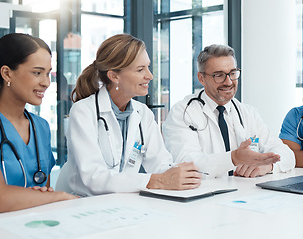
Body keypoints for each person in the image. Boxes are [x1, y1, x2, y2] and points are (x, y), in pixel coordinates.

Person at [59, 34, 201, 196]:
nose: (150, 75)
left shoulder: (143, 114)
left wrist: (181, 173)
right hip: (86, 203)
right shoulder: (84, 111)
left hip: (125, 202)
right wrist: (157, 181)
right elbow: (95, 178)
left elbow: (160, 164)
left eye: (148, 67)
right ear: (114, 76)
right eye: (140, 70)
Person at [0, 33, 77, 216]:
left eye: (48, 73)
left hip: (26, 225)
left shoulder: (40, 127)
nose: (46, 82)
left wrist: (49, 198)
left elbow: (43, 191)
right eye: (37, 72)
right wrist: (60, 197)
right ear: (7, 73)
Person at [162, 44, 295, 178]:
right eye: (219, 75)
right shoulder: (183, 112)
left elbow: (287, 155)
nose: (229, 82)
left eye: (232, 73)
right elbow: (186, 164)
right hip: (204, 194)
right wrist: (234, 158)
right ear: (201, 78)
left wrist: (268, 166)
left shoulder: (247, 112)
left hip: (244, 193)